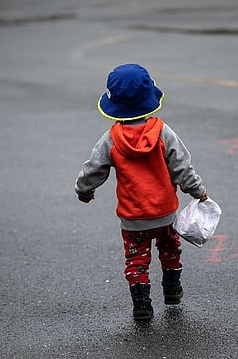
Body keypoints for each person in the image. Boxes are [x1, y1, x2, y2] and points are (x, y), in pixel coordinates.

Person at [75, 63, 207, 321]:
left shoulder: (111, 139)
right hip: (165, 214)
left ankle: (142, 305)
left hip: (133, 219)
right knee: (170, 249)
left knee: (137, 260)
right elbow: (182, 167)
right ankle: (171, 290)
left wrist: (84, 191)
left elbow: (94, 170)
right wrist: (198, 191)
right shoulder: (162, 133)